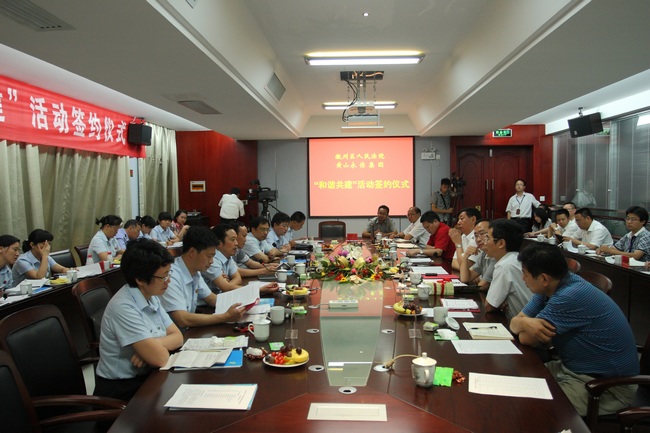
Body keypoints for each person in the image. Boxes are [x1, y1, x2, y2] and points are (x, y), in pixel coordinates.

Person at [511, 242, 638, 417]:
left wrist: (522, 323)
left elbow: (526, 339)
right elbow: (516, 323)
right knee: (514, 378)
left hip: (607, 387)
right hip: (573, 369)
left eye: (525, 274)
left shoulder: (570, 296)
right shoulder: (552, 285)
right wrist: (525, 323)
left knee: (530, 408)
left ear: (544, 278)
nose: (523, 279)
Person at [93, 238, 183, 401]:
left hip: (147, 377)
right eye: (163, 277)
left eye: (168, 274)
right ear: (140, 279)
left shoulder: (150, 295)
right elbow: (160, 358)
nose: (168, 281)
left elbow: (178, 337)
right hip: (121, 392)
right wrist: (153, 350)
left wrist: (152, 346)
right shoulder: (123, 307)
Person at [161, 226, 245, 328]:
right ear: (192, 252)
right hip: (177, 334)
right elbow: (182, 319)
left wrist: (243, 302)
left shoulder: (195, 271)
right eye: (209, 256)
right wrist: (225, 317)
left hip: (189, 330)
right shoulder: (170, 277)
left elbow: (212, 299)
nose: (212, 261)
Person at [203, 224, 279, 294]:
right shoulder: (212, 260)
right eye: (232, 240)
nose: (236, 243)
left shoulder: (228, 256)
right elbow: (226, 288)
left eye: (236, 239)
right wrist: (259, 289)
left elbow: (238, 278)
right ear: (219, 243)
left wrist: (227, 285)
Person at [483, 218, 532, 323]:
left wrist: (498, 304)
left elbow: (489, 306)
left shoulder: (505, 266)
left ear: (501, 243)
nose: (485, 242)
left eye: (488, 238)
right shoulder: (515, 258)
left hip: (522, 325)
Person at [458, 220, 495, 291]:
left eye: (482, 233)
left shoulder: (496, 256)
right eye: (476, 236)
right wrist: (465, 257)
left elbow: (482, 286)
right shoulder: (484, 254)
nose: (478, 239)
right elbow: (465, 278)